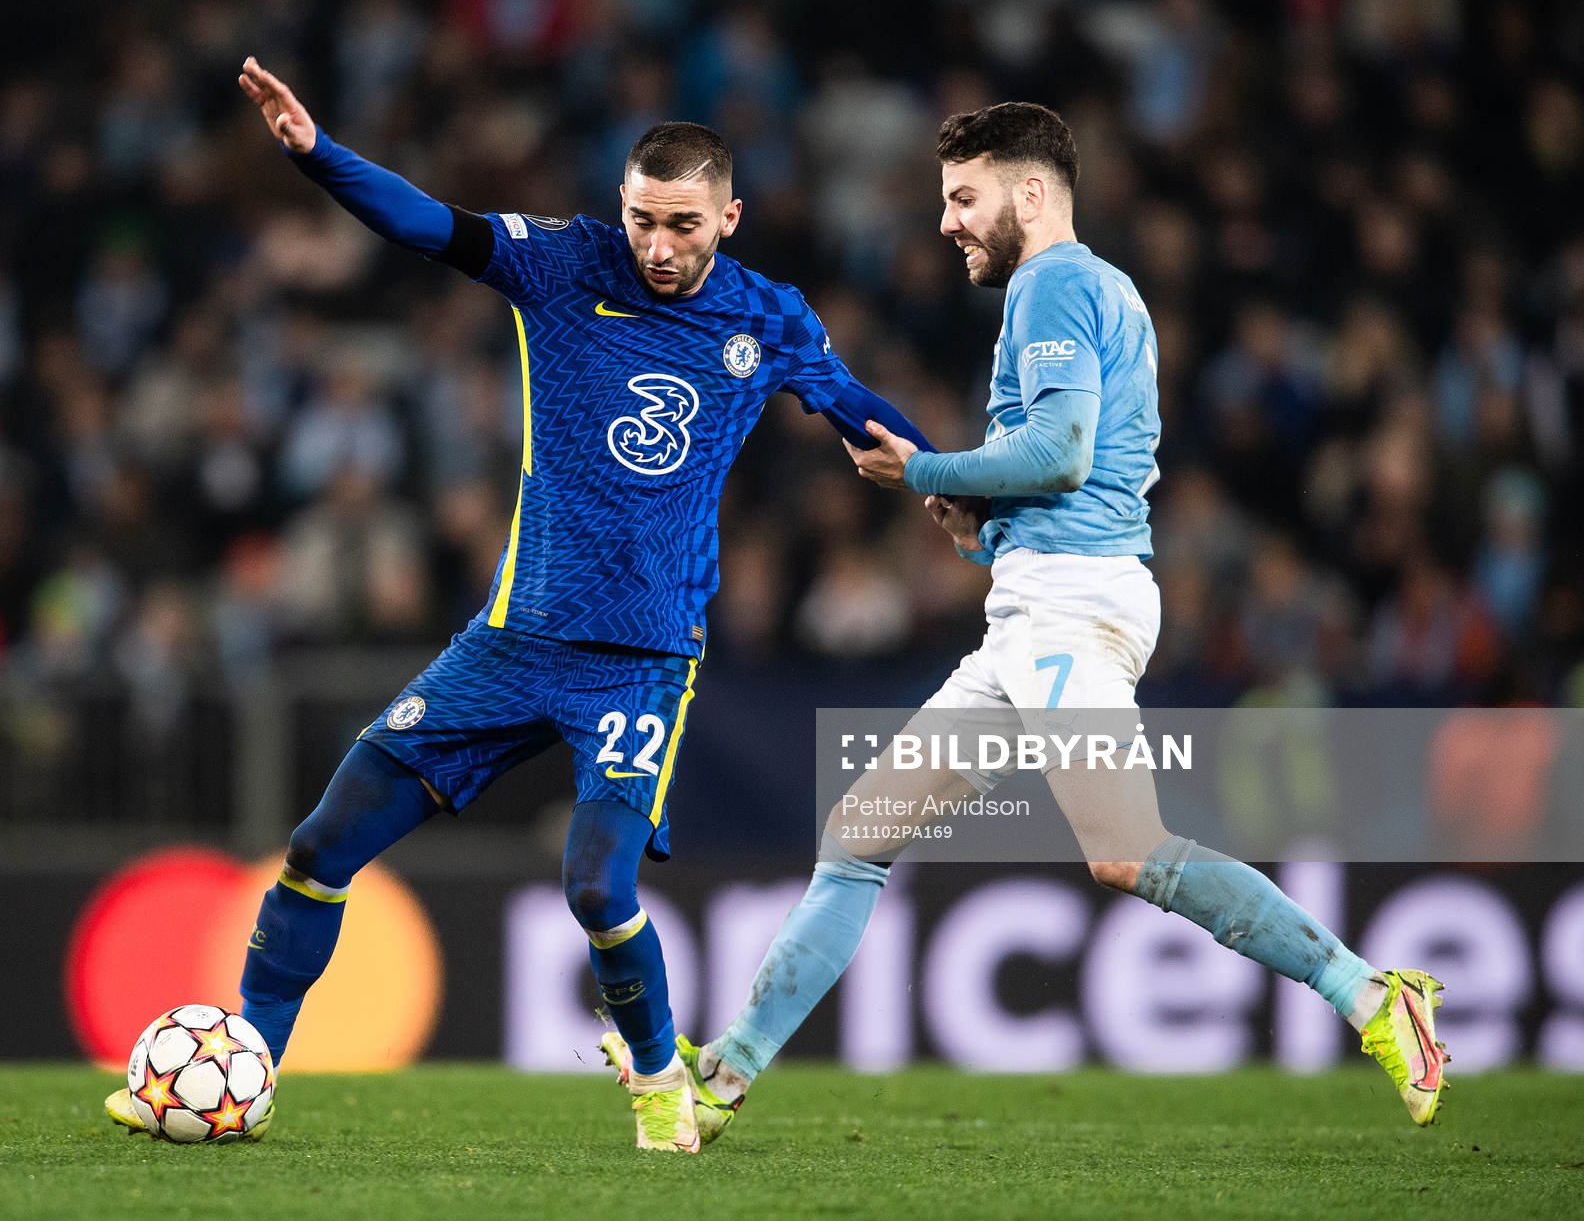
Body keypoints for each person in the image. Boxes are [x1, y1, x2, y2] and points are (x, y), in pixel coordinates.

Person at [109, 57, 934, 1153]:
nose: (656, 245)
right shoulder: (563, 262)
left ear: (728, 216)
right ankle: (248, 1064)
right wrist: (317, 156)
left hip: (641, 659)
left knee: (596, 885)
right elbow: (428, 225)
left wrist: (948, 486)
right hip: (510, 642)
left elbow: (861, 410)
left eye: (683, 224)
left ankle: (656, 1085)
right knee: (319, 843)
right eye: (642, 218)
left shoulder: (769, 318)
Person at [602, 102, 1448, 1142]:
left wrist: (926, 468)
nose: (949, 221)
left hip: (1071, 607)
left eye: (965, 197)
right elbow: (1076, 480)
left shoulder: (1053, 281)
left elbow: (1061, 453)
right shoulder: (1106, 290)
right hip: (1042, 603)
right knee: (859, 837)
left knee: (1127, 849)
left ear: (1031, 193)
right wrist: (979, 529)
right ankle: (724, 1073)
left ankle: (1368, 992)